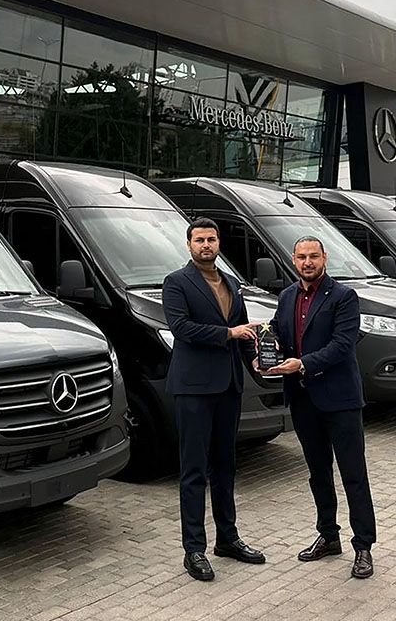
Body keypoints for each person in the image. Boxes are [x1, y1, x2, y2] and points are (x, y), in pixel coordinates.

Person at [257, 235, 377, 579]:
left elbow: (342, 345)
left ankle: (364, 546)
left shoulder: (343, 297)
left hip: (340, 400)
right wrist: (264, 354)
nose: (307, 262)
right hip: (303, 400)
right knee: (318, 472)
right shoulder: (286, 297)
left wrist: (303, 364)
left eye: (313, 256)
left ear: (325, 258)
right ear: (293, 260)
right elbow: (278, 334)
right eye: (301, 257)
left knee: (353, 474)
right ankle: (328, 536)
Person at [162, 217, 265, 582]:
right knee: (194, 471)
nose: (206, 245)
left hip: (228, 387)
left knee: (225, 467)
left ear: (219, 243)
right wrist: (228, 333)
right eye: (199, 240)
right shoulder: (176, 282)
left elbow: (244, 331)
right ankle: (194, 549)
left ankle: (228, 539)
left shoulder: (232, 283)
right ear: (189, 245)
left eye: (211, 239)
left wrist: (256, 361)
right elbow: (182, 328)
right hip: (193, 389)